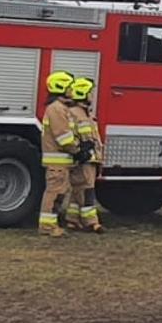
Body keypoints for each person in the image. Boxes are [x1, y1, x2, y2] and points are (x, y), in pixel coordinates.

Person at [37, 71, 80, 237]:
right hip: (57, 164)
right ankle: (47, 227)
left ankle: (51, 225)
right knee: (54, 194)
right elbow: (63, 137)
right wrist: (77, 150)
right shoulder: (56, 109)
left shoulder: (60, 108)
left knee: (59, 194)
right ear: (61, 87)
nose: (72, 90)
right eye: (69, 87)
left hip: (61, 163)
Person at [64, 76, 105, 234]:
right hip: (84, 159)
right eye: (90, 92)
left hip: (90, 158)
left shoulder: (84, 113)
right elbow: (70, 136)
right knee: (87, 190)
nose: (92, 96)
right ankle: (91, 222)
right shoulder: (75, 114)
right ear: (83, 93)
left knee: (78, 190)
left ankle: (72, 220)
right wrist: (80, 152)